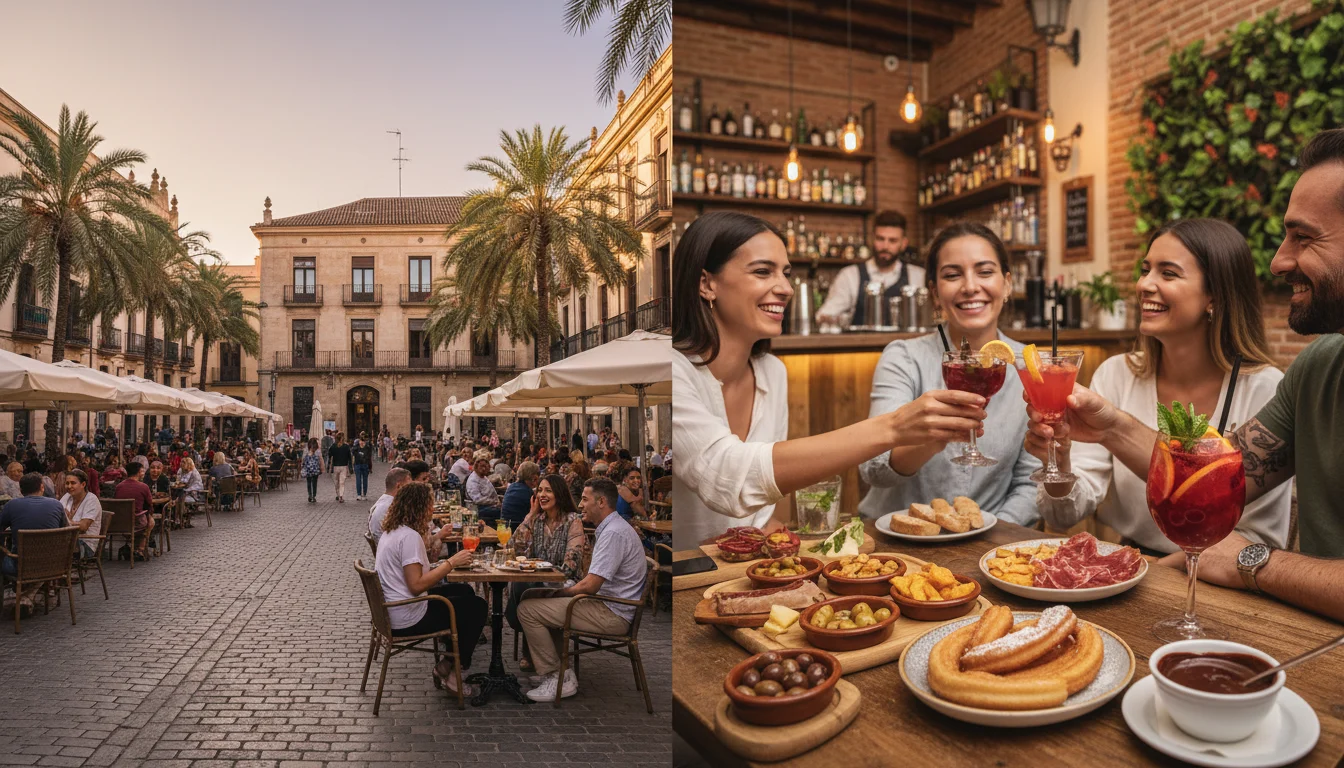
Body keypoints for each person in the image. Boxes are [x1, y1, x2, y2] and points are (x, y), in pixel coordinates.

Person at [1036, 128, 1344, 622]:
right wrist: (1110, 426)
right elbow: (1215, 478)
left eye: (1303, 237)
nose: (1279, 260)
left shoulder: (1269, 377)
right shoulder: (1320, 365)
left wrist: (1252, 560)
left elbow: (1243, 538)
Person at [672, 211, 988, 550]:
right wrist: (894, 427)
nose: (786, 288)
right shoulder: (675, 372)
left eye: (786, 273)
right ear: (707, 284)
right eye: (763, 271)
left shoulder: (771, 372)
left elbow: (764, 511)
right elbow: (727, 476)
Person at [1026, 219, 1290, 555]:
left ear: (1215, 295)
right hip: (1134, 566)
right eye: (1145, 269)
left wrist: (1150, 572)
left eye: (1168, 273)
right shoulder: (1116, 374)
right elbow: (1062, 516)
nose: (1144, 285)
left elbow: (1258, 539)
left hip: (1231, 584)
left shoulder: (1265, 389)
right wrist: (1060, 463)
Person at [857, 222, 1041, 524]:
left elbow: (1030, 483)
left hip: (990, 548)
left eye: (984, 272)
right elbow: (875, 470)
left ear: (1006, 284)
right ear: (934, 291)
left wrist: (987, 542)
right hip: (896, 545)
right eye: (953, 275)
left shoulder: (1028, 364)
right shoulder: (904, 358)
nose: (970, 286)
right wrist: (933, 439)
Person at [517, 477, 646, 701]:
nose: (580, 504)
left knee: (528, 610)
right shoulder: (612, 528)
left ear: (602, 502)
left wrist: (559, 593)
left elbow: (591, 585)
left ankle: (555, 677)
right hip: (610, 606)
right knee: (535, 598)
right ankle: (562, 672)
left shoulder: (613, 533)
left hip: (612, 614)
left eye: (585, 499)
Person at [375, 481, 488, 696]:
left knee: (465, 593)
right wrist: (451, 563)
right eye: (430, 504)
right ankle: (454, 672)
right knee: (478, 608)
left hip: (394, 610)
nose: (432, 509)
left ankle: (447, 663)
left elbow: (412, 573)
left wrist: (440, 566)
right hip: (408, 615)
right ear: (419, 506)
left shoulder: (394, 531)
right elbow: (416, 585)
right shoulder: (409, 537)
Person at [506, 474, 587, 671]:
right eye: (539, 490)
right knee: (521, 585)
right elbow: (512, 548)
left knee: (528, 588)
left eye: (548, 490)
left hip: (565, 583)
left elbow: (572, 562)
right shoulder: (537, 520)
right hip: (536, 580)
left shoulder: (573, 521)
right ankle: (527, 638)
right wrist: (529, 516)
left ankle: (529, 647)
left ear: (559, 494)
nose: (542, 494)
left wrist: (547, 573)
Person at [0, 473, 69, 611]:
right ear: (42, 487)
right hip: (54, 564)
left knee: (5, 555)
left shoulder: (12, 505)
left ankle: (22, 594)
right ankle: (27, 596)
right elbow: (65, 530)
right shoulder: (56, 504)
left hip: (21, 565)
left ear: (20, 490)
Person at [114, 461, 156, 561]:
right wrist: (149, 514)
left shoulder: (119, 486)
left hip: (119, 522)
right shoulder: (143, 487)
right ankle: (140, 549)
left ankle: (130, 545)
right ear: (138, 472)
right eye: (142, 471)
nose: (143, 473)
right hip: (136, 521)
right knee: (150, 522)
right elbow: (150, 505)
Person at [61, 468, 102, 559]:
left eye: (73, 483)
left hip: (85, 544)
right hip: (68, 539)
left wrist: (66, 521)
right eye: (67, 483)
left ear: (83, 484)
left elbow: (83, 527)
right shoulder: (67, 497)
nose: (69, 486)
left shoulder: (91, 499)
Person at [368, 467, 412, 545]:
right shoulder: (391, 506)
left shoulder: (385, 501)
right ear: (399, 486)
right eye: (408, 487)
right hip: (392, 551)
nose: (411, 491)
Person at [500, 461, 540, 527]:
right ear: (533, 478)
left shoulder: (512, 486)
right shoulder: (528, 492)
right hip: (517, 529)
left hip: (505, 527)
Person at [465, 455, 501, 524]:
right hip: (478, 508)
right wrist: (494, 502)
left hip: (490, 505)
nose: (484, 469)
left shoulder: (483, 477)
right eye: (481, 466)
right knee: (501, 512)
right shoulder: (473, 480)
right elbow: (477, 499)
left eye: (486, 467)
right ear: (476, 466)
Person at [329, 432, 352, 503]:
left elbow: (329, 455)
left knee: (337, 482)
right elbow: (349, 458)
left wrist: (329, 467)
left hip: (336, 466)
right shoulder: (346, 446)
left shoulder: (333, 446)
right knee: (342, 482)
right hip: (344, 466)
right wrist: (351, 468)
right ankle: (341, 495)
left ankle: (338, 494)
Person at [301, 438, 322, 503]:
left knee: (309, 482)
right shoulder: (317, 451)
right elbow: (320, 460)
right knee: (314, 483)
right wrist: (321, 468)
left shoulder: (306, 450)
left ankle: (310, 495)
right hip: (315, 470)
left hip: (308, 470)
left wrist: (302, 466)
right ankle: (313, 496)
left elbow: (303, 460)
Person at [352, 434, 372, 501]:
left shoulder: (368, 448)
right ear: (359, 441)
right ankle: (359, 494)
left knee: (365, 480)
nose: (362, 443)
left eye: (363, 441)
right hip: (357, 464)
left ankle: (364, 494)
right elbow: (353, 453)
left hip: (365, 465)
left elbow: (369, 458)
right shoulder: (356, 447)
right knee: (358, 479)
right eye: (361, 441)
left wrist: (370, 467)